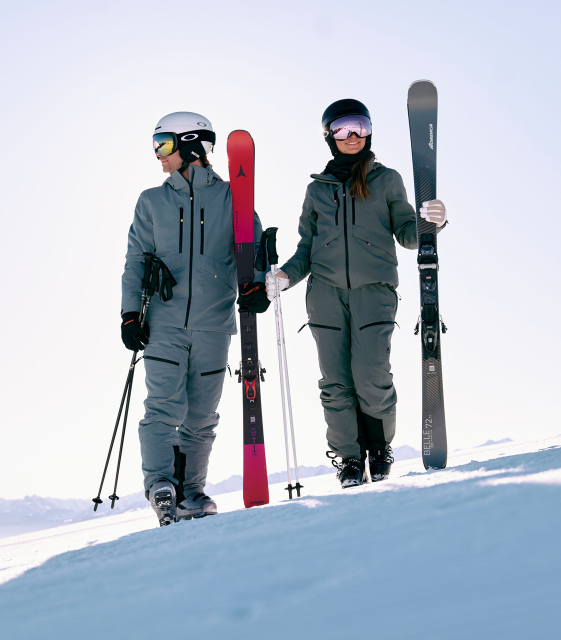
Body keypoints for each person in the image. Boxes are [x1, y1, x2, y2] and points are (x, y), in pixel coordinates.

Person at [268, 99, 447, 488]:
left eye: (360, 126)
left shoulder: (386, 179)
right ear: (329, 136)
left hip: (374, 292)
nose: (353, 136)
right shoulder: (317, 190)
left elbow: (406, 233)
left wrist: (432, 221)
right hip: (325, 294)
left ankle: (379, 448)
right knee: (335, 382)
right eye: (344, 128)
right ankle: (349, 459)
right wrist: (284, 277)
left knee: (371, 374)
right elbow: (306, 249)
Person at [120, 112, 269, 526]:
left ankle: (191, 492)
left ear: (191, 146)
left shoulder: (232, 199)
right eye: (155, 146)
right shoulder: (151, 201)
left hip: (214, 324)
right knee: (163, 408)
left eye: (163, 145)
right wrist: (130, 312)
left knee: (202, 416)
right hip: (163, 323)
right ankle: (162, 487)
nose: (158, 155)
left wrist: (257, 286)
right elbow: (135, 260)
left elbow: (253, 248)